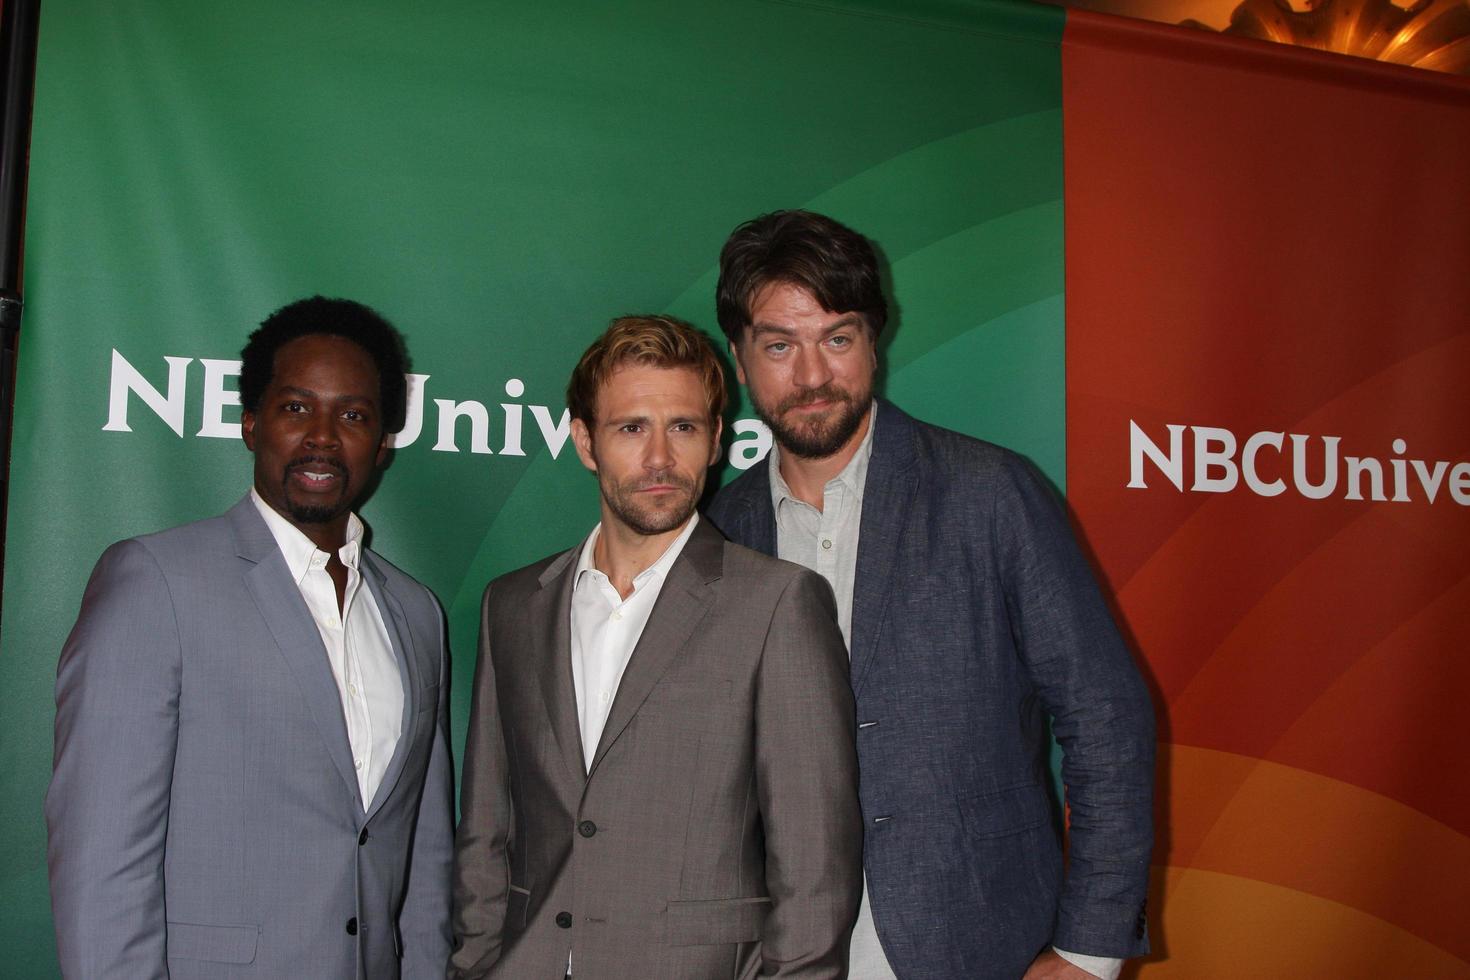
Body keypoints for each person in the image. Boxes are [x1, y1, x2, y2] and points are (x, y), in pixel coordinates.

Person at [706, 211, 1156, 980]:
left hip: (980, 941)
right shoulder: (716, 535)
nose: (813, 375)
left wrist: (1090, 949)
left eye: (838, 338)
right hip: (775, 959)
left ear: (874, 344)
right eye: (780, 345)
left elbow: (1105, 718)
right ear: (741, 364)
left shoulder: (990, 494)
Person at [45, 297, 453, 978]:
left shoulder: (416, 614)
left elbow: (426, 855)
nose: (323, 436)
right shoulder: (156, 584)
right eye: (297, 408)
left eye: (352, 415)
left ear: (382, 442)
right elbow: (101, 860)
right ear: (251, 423)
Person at [449, 314, 862, 979]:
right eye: (631, 428)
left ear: (717, 439)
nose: (661, 460)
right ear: (586, 441)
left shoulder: (779, 605)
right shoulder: (515, 605)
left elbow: (814, 875)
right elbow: (486, 835)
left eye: (684, 428)